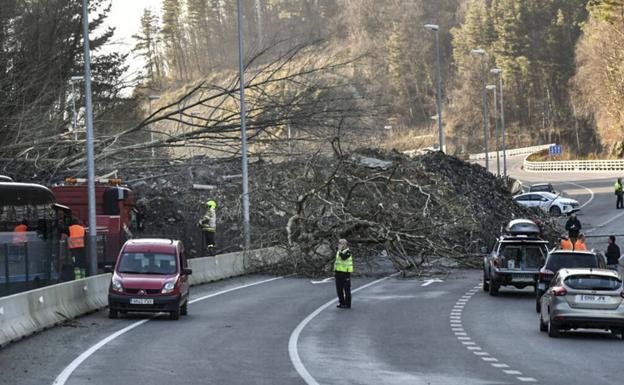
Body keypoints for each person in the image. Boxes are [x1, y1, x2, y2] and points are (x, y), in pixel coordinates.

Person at [334, 238, 353, 309]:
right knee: (339, 289)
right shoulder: (339, 251)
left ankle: (348, 304)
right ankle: (341, 302)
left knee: (346, 289)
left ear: (344, 245)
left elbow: (343, 258)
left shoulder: (348, 252)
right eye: (339, 243)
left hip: (345, 273)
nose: (339, 245)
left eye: (340, 243)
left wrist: (339, 250)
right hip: (338, 272)